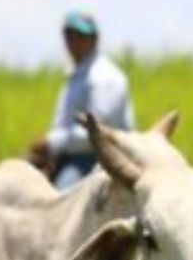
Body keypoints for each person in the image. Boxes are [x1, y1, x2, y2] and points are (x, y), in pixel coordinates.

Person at [37, 11, 135, 190]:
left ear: (94, 39)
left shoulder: (104, 78)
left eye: (80, 36)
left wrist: (52, 142)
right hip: (72, 156)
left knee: (60, 200)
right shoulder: (78, 74)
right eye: (69, 36)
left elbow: (99, 132)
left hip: (98, 160)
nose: (74, 42)